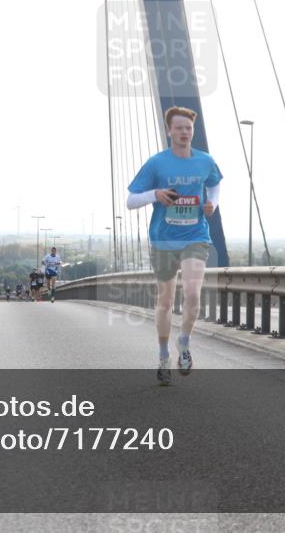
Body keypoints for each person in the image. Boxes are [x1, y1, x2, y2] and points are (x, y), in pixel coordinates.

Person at [126, 106, 221, 385]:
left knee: (192, 295)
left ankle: (184, 342)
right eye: (179, 128)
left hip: (196, 236)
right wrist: (154, 194)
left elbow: (215, 185)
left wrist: (212, 204)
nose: (184, 132)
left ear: (193, 131)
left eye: (188, 128)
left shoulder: (205, 161)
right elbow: (130, 201)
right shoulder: (157, 163)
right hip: (164, 239)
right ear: (169, 131)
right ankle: (163, 355)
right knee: (166, 301)